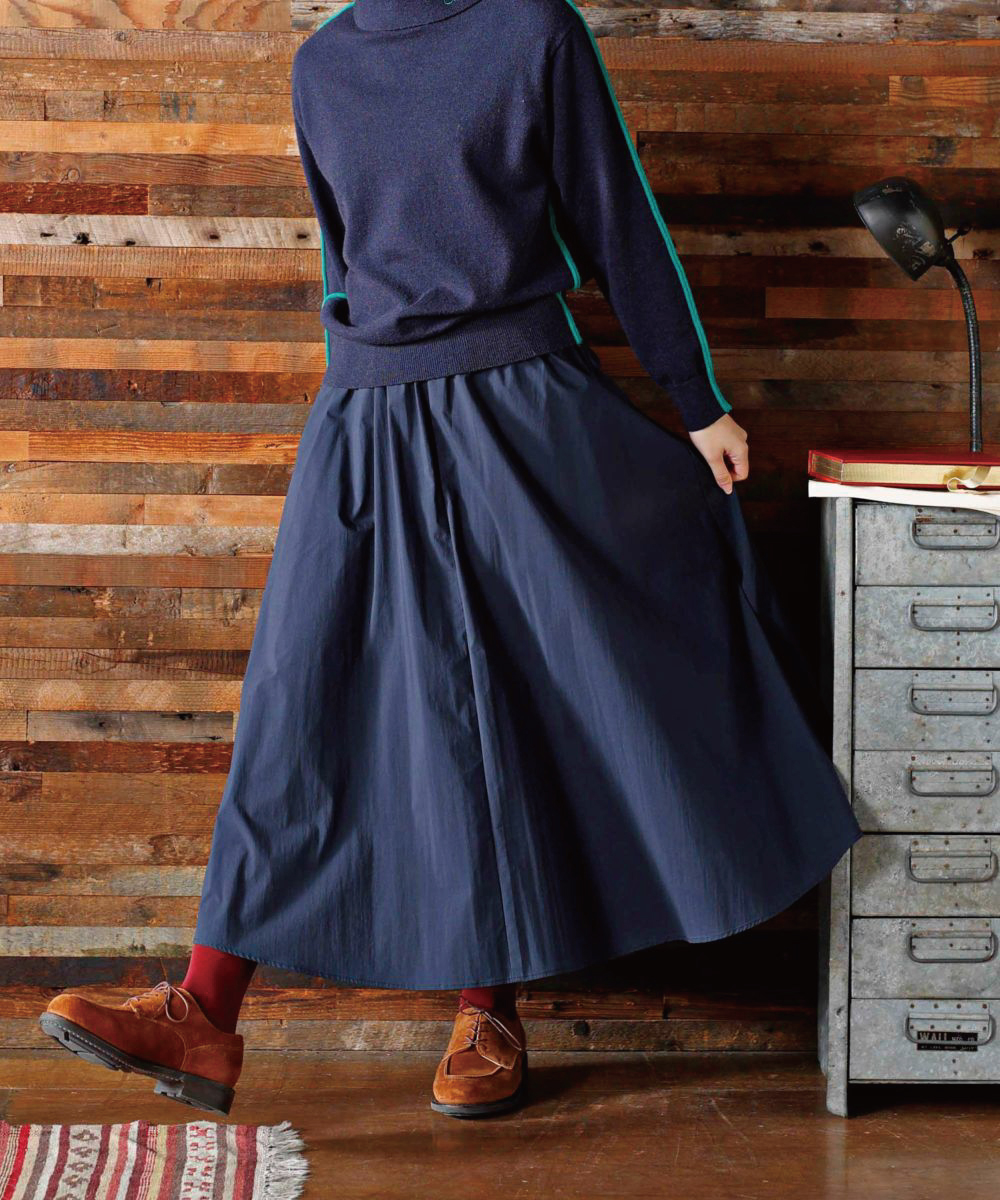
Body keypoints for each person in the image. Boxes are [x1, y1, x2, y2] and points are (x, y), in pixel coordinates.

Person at [39, 0, 862, 1121]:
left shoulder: (532, 32)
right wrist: (358, 409)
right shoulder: (323, 64)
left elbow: (618, 221)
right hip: (366, 417)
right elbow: (341, 262)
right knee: (299, 701)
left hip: (519, 409)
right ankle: (205, 1012)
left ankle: (487, 1010)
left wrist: (695, 400)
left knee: (502, 692)